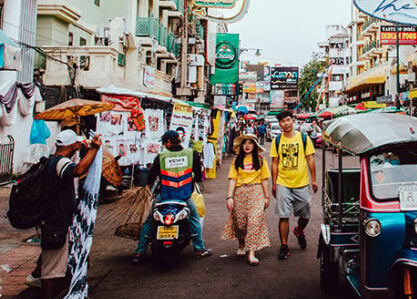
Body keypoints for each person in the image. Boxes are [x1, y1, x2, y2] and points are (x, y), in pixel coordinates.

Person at [38, 129, 102, 299]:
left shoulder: (52, 161)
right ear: (72, 145)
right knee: (52, 265)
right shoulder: (61, 162)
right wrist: (94, 149)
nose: (78, 147)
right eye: (76, 144)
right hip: (55, 221)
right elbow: (78, 170)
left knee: (55, 256)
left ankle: (37, 276)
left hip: (56, 219)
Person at [132, 130, 212, 263]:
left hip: (164, 197)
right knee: (194, 220)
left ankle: (139, 252)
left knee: (149, 222)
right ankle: (199, 249)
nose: (164, 145)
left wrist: (147, 186)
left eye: (164, 143)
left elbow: (152, 176)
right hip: (184, 197)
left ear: (168, 142)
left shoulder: (161, 156)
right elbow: (198, 175)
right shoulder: (191, 154)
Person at [270, 110, 317, 261]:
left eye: (288, 120)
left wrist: (314, 180)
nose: (286, 123)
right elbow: (275, 162)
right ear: (280, 124)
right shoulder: (277, 141)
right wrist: (274, 183)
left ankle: (299, 230)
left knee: (305, 214)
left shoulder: (303, 139)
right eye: (283, 121)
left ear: (293, 121)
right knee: (283, 215)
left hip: (301, 183)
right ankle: (284, 246)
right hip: (283, 183)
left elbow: (310, 159)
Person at [222, 134, 271, 265]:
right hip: (240, 193)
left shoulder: (261, 161)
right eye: (245, 143)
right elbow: (232, 179)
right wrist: (229, 197)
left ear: (255, 145)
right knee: (240, 223)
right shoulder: (236, 161)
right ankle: (242, 244)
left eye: (250, 143)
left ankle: (252, 253)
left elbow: (264, 180)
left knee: (254, 221)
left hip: (256, 192)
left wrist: (267, 197)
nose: (247, 146)